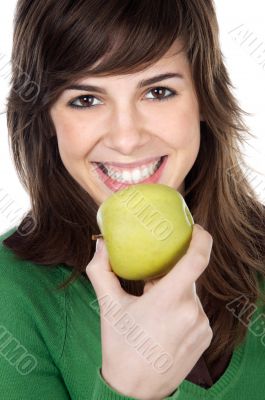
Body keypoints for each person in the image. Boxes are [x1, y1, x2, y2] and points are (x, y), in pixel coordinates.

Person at [1, 0, 265, 399]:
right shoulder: (12, 294)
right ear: (46, 118)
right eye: (86, 100)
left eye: (158, 91)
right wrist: (131, 389)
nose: (126, 138)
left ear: (204, 99)